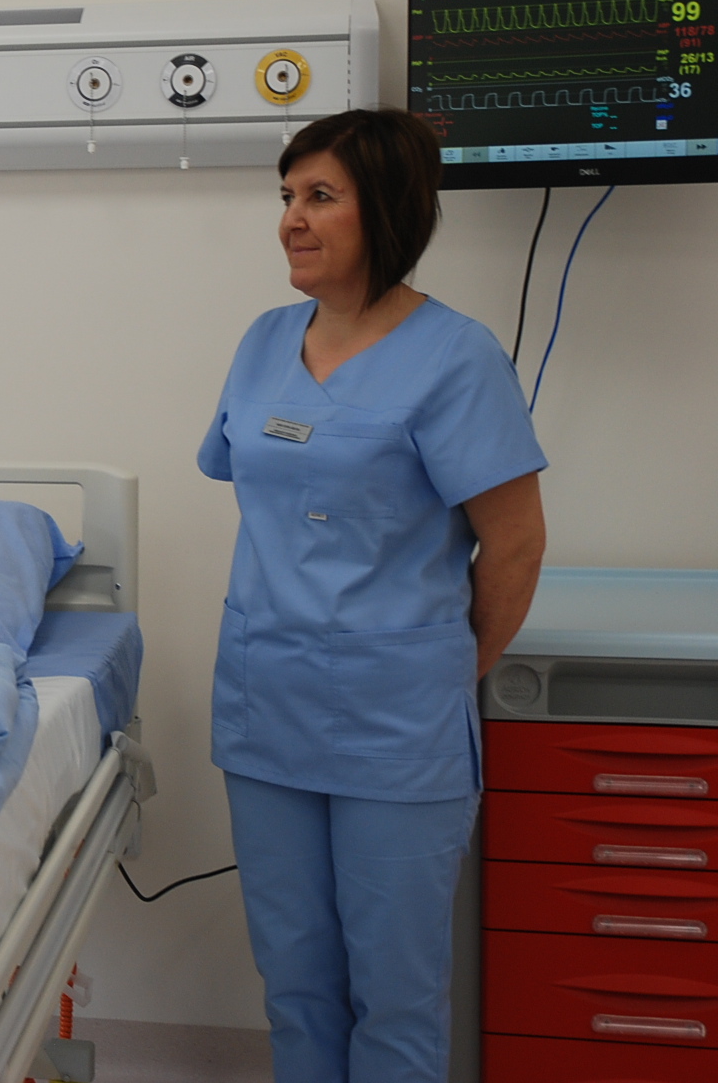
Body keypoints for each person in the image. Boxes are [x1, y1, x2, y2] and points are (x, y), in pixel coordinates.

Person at [198, 109, 547, 1082]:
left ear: (387, 209)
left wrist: (440, 669)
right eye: (286, 196)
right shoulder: (265, 342)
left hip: (396, 728)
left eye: (321, 196)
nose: (292, 219)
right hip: (266, 709)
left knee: (393, 995)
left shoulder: (456, 357)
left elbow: (515, 545)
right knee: (294, 982)